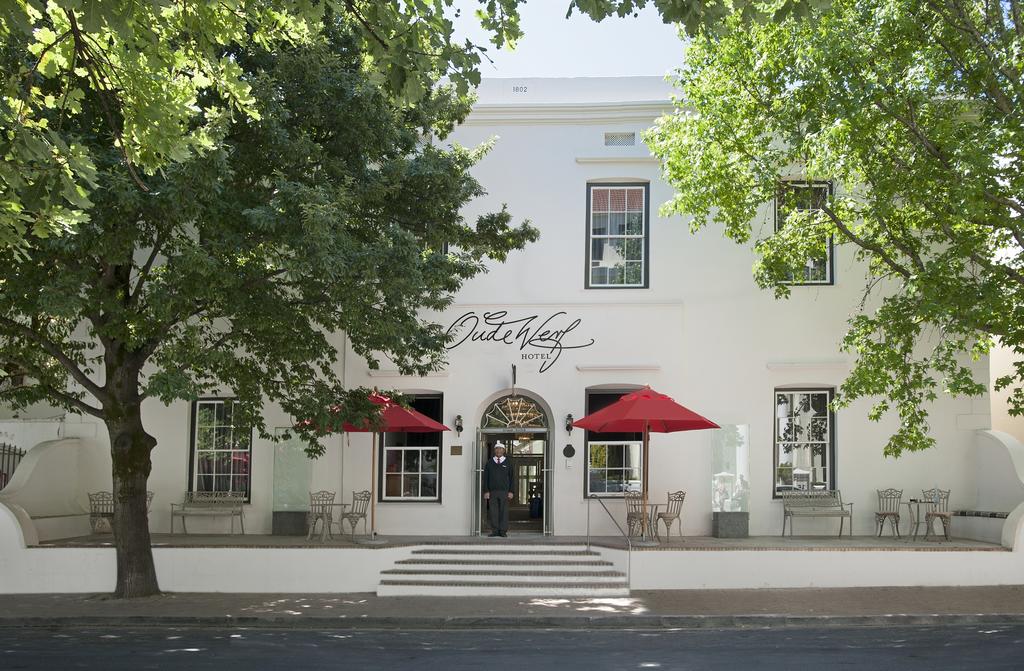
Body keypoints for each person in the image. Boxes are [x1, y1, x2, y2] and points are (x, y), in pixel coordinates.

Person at [483, 443, 515, 537]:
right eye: (497, 449)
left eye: (500, 449)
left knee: (504, 512)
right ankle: (495, 531)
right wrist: (486, 491)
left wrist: (511, 491)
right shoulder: (489, 462)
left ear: (504, 450)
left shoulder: (508, 462)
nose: (498, 450)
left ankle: (503, 531)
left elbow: (512, 478)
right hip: (492, 492)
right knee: (493, 512)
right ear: (494, 450)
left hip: (504, 492)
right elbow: (486, 478)